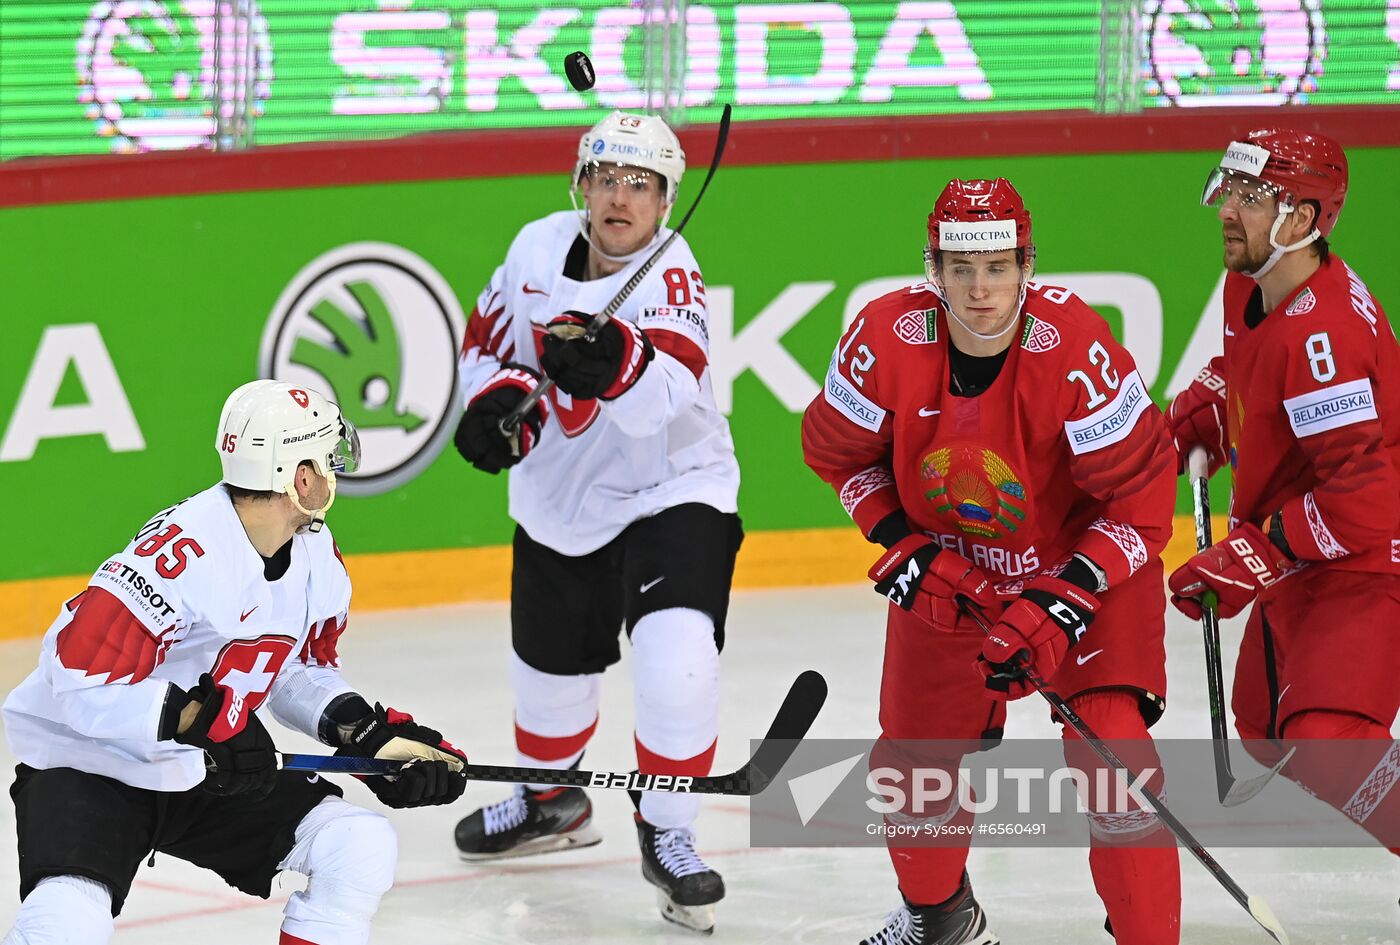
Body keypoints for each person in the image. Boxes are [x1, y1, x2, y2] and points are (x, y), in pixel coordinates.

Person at [802, 178, 1181, 945]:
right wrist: (902, 546)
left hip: (1087, 572)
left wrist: (1065, 597)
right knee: (911, 768)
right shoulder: (884, 336)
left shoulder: (1076, 349)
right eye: (962, 267)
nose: (981, 288)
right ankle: (942, 919)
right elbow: (840, 459)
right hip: (952, 578)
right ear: (932, 268)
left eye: (1000, 266)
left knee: (1117, 765)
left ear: (1027, 265)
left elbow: (1142, 506)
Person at [1, 379, 468, 945]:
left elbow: (289, 666)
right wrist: (195, 721)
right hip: (90, 764)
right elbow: (78, 676)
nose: (333, 473)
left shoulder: (315, 551)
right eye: (327, 459)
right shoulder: (181, 555)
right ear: (300, 477)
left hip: (202, 767)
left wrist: (363, 733)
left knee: (358, 845)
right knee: (65, 924)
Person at [449, 109, 742, 933]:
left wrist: (618, 362)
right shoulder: (534, 250)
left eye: (641, 184)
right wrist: (501, 403)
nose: (621, 196)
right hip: (560, 499)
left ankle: (669, 829)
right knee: (546, 683)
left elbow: (661, 403)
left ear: (665, 199)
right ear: (581, 183)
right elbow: (487, 345)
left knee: (677, 662)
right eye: (607, 177)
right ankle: (551, 803)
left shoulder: (673, 274)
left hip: (672, 489)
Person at [1167, 130, 1400, 854]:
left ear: (1302, 219)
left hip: (1364, 562)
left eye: (1251, 198)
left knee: (1329, 740)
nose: (1228, 211)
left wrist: (1256, 552)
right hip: (1305, 559)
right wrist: (1215, 399)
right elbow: (1251, 366)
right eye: (1230, 192)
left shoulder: (1324, 336)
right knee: (1268, 731)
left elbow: (1366, 498)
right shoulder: (1257, 282)